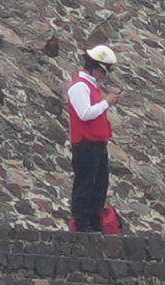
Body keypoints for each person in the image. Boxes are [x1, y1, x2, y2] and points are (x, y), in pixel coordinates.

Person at [65, 45, 119, 233]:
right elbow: (85, 114)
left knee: (99, 185)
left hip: (97, 143)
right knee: (85, 184)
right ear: (96, 68)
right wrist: (107, 102)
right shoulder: (79, 86)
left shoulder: (92, 87)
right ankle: (82, 223)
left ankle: (95, 222)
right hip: (85, 143)